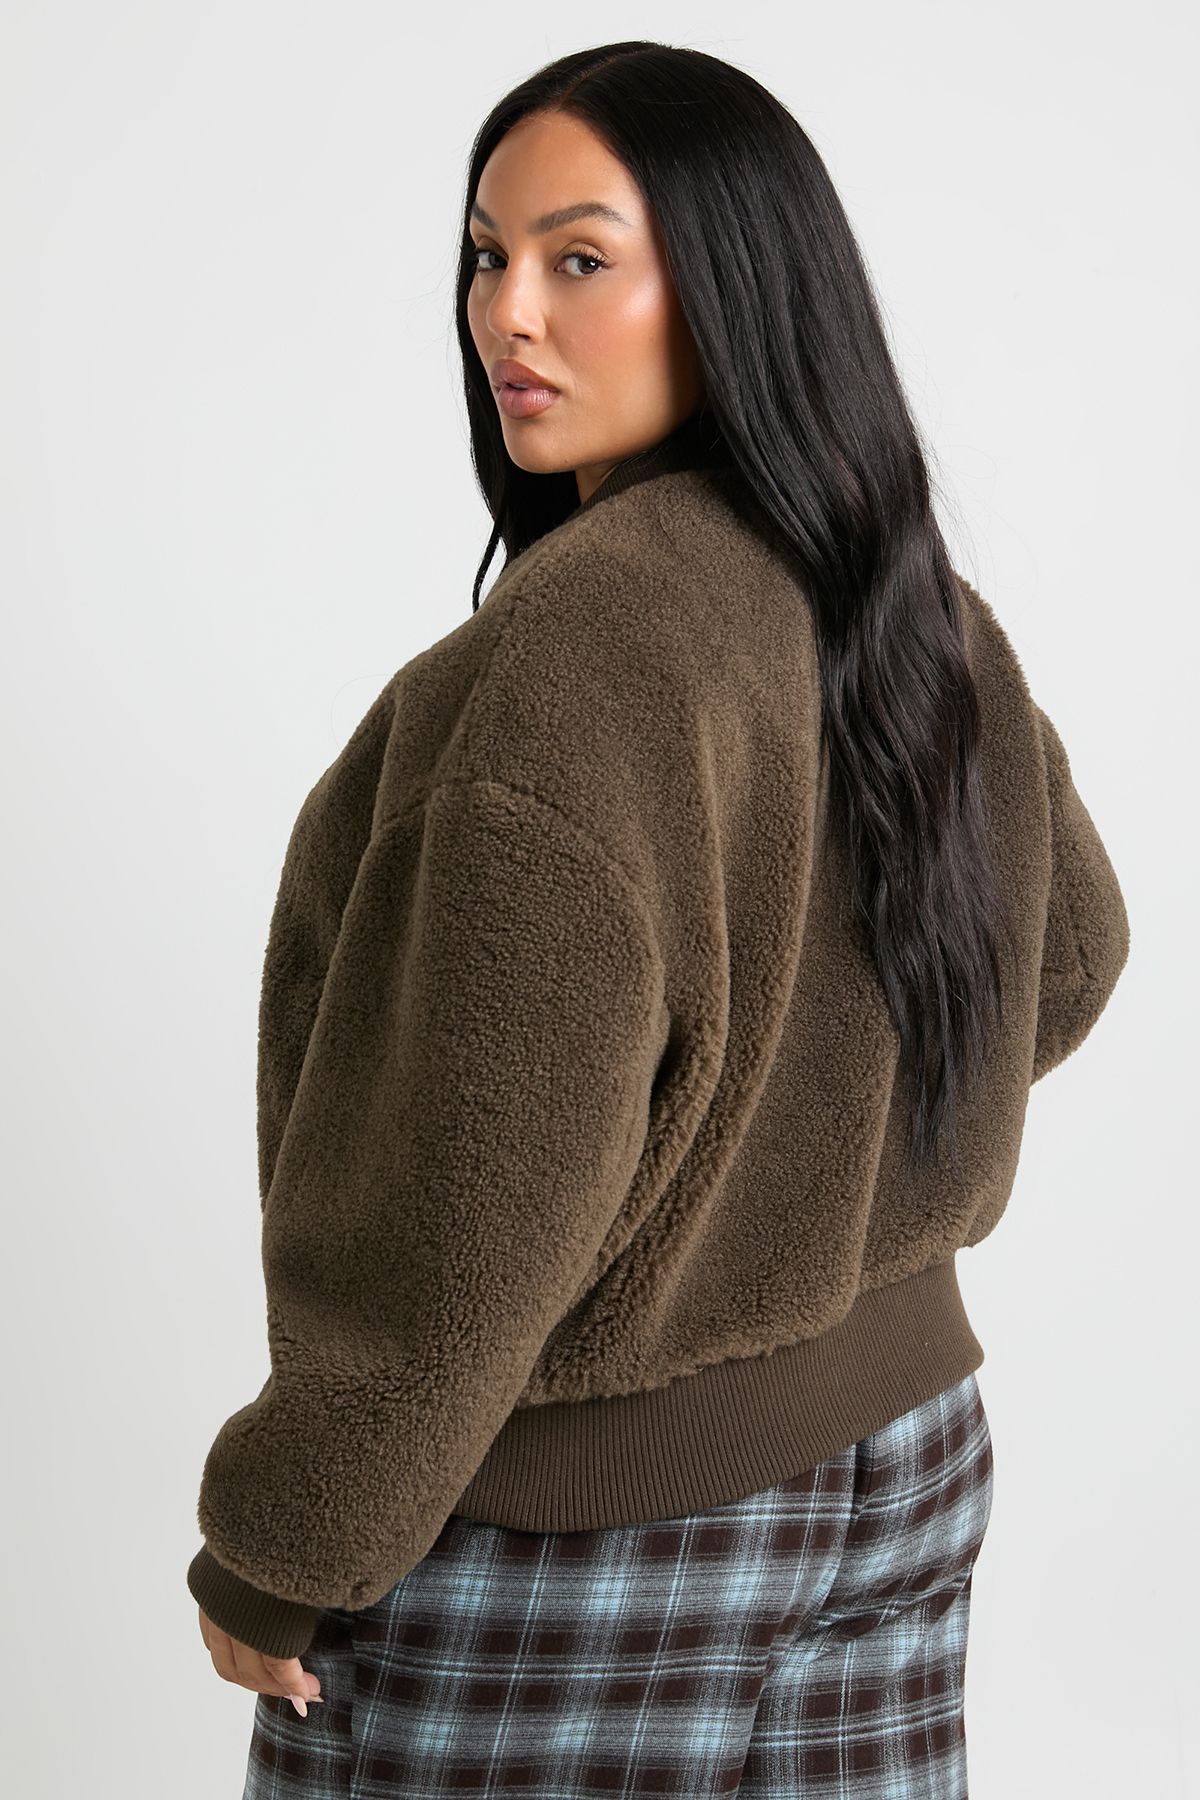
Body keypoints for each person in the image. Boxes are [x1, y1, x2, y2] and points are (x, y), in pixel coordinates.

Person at [188, 39, 1131, 1799]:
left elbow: (479, 1185)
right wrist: (802, 1160)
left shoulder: (578, 649)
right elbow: (1064, 959)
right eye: (488, 256)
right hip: (909, 1460)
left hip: (601, 1531)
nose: (508, 316)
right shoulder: (897, 591)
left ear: (735, 284)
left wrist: (288, 1540)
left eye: (580, 259)